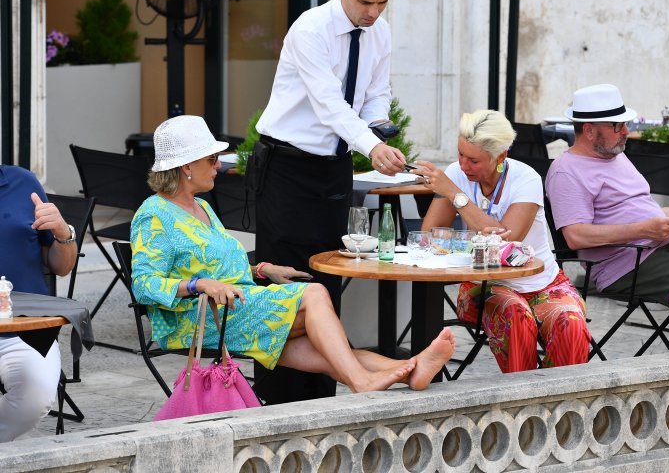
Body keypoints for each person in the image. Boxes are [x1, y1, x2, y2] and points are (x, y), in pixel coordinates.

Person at [131, 116, 454, 397]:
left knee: (323, 349)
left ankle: (411, 368)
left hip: (233, 307)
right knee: (314, 294)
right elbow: (144, 285)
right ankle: (361, 381)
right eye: (212, 159)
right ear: (187, 166)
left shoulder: (200, 207)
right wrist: (202, 285)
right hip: (196, 321)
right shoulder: (155, 214)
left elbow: (219, 267)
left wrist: (264, 269)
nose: (218, 165)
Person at [253, 0, 406, 402]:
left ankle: (322, 395)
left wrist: (379, 129)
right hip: (287, 165)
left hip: (333, 166)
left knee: (328, 273)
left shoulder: (380, 32)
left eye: (382, 4)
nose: (373, 13)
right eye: (365, 3)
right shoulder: (310, 29)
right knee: (283, 282)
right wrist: (371, 146)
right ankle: (277, 399)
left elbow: (377, 93)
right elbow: (328, 104)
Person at [413, 110, 590, 372]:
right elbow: (429, 237)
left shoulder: (525, 178)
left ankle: (562, 403)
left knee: (571, 323)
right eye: (460, 154)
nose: (463, 165)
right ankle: (520, 403)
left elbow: (507, 241)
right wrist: (452, 195)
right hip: (483, 286)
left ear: (501, 156)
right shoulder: (456, 173)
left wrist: (455, 195)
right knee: (516, 317)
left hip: (542, 282)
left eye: (473, 160)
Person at [545, 84, 669, 307]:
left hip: (663, 245)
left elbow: (649, 211)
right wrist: (644, 230)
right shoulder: (567, 171)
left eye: (625, 124)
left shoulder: (614, 154)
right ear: (590, 131)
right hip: (628, 263)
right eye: (617, 125)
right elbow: (576, 236)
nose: (626, 131)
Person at [0, 165, 77, 442]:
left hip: (24, 329)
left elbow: (61, 265)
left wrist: (62, 232)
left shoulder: (22, 182)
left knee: (36, 393)